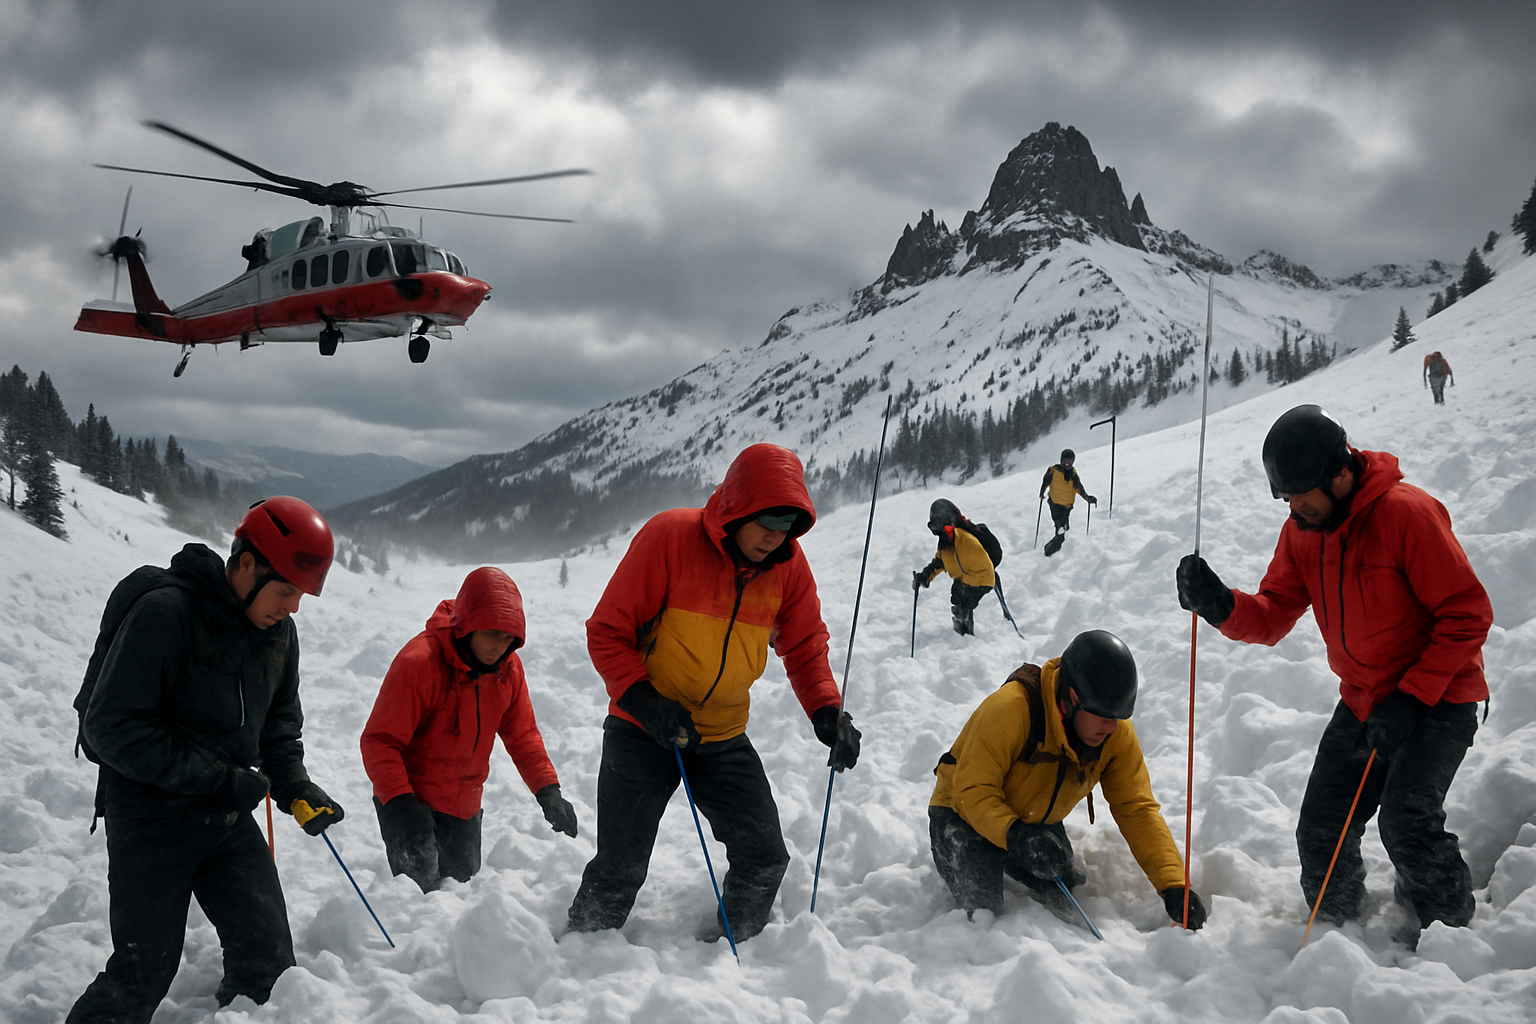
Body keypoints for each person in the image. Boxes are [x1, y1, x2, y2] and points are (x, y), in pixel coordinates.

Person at [1176, 405, 1491, 944]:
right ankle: (1337, 935)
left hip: (1441, 698)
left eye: (1302, 495)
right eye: (1286, 499)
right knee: (1322, 830)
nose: (1295, 509)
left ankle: (1451, 939)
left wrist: (1413, 700)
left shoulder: (1407, 515)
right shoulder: (1304, 532)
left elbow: (1468, 614)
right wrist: (1222, 605)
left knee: (1406, 821)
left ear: (1340, 475)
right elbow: (1274, 613)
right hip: (1367, 699)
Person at [565, 443, 862, 942]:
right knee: (620, 867)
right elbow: (607, 630)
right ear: (737, 509)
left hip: (722, 735)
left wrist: (826, 710)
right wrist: (642, 700)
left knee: (766, 857)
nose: (775, 536)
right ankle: (579, 952)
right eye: (766, 522)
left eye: (787, 525)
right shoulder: (670, 537)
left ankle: (736, 953)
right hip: (643, 730)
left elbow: (806, 643)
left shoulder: (787, 566)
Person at [68, 497, 345, 1023]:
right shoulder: (166, 615)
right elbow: (110, 728)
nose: (294, 606)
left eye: (302, 594)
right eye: (286, 589)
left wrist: (295, 786)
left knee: (269, 963)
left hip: (225, 817)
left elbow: (279, 726)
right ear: (246, 564)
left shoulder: (278, 633)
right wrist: (221, 781)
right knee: (142, 973)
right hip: (151, 818)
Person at [929, 630, 1205, 928]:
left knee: (1061, 888)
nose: (1112, 726)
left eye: (1118, 716)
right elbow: (972, 791)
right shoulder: (1011, 710)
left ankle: (1011, 851)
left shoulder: (1113, 733)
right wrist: (1015, 835)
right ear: (1071, 698)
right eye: (1102, 715)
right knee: (985, 916)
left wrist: (1173, 885)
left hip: (1032, 819)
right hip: (961, 814)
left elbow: (1135, 808)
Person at [361, 567, 577, 893]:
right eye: (491, 633)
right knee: (417, 902)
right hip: (409, 802)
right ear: (466, 625)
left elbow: (522, 734)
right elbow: (380, 742)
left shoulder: (508, 670)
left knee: (459, 897)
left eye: (508, 638)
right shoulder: (419, 663)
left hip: (464, 805)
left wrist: (548, 790)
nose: (499, 647)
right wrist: (401, 805)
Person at [913, 498, 997, 636]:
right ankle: (963, 632)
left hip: (981, 579)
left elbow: (981, 561)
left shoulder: (963, 538)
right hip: (968, 578)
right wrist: (925, 575)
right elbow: (940, 561)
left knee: (962, 602)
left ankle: (964, 632)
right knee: (958, 597)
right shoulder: (946, 542)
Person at [1038, 448, 1097, 556]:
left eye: (1069, 461)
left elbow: (1078, 487)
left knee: (1064, 527)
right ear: (1061, 460)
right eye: (1065, 461)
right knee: (1060, 526)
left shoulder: (1073, 474)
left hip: (1067, 506)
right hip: (1055, 503)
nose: (1066, 463)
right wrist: (1042, 493)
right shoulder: (1053, 470)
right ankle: (1050, 552)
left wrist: (1087, 498)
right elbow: (1046, 481)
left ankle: (1053, 547)